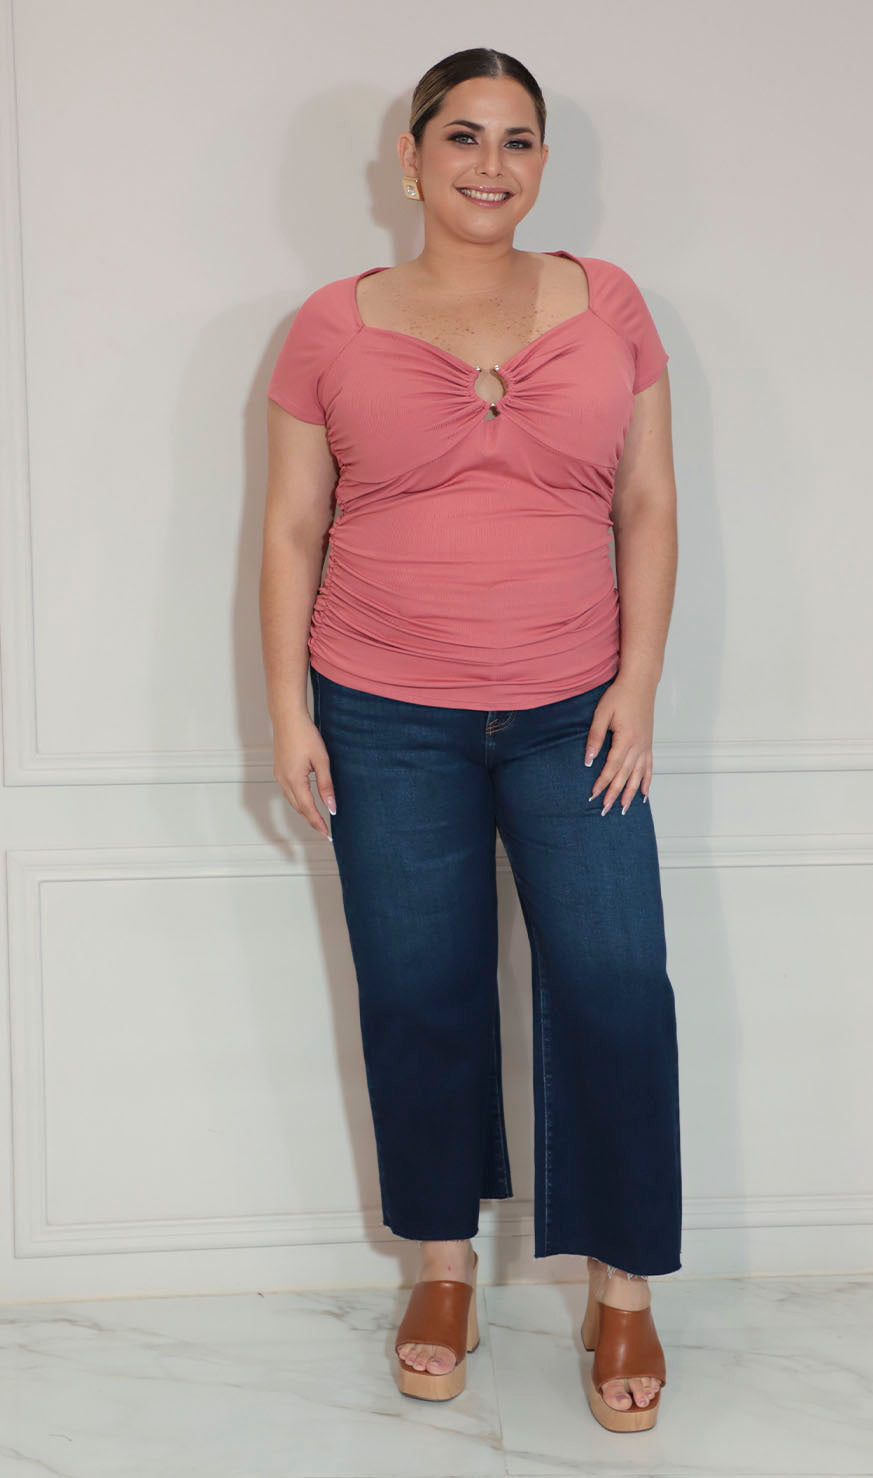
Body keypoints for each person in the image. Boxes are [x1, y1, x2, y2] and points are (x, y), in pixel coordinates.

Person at [260, 46, 681, 1434]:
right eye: (461, 137)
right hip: (383, 715)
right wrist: (287, 711)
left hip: (575, 710)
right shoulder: (332, 324)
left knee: (616, 984)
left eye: (517, 140)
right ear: (411, 158)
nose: (489, 165)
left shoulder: (608, 304)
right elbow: (292, 526)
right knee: (418, 989)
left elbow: (647, 502)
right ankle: (442, 1272)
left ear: (541, 162)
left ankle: (622, 1285)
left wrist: (638, 682)